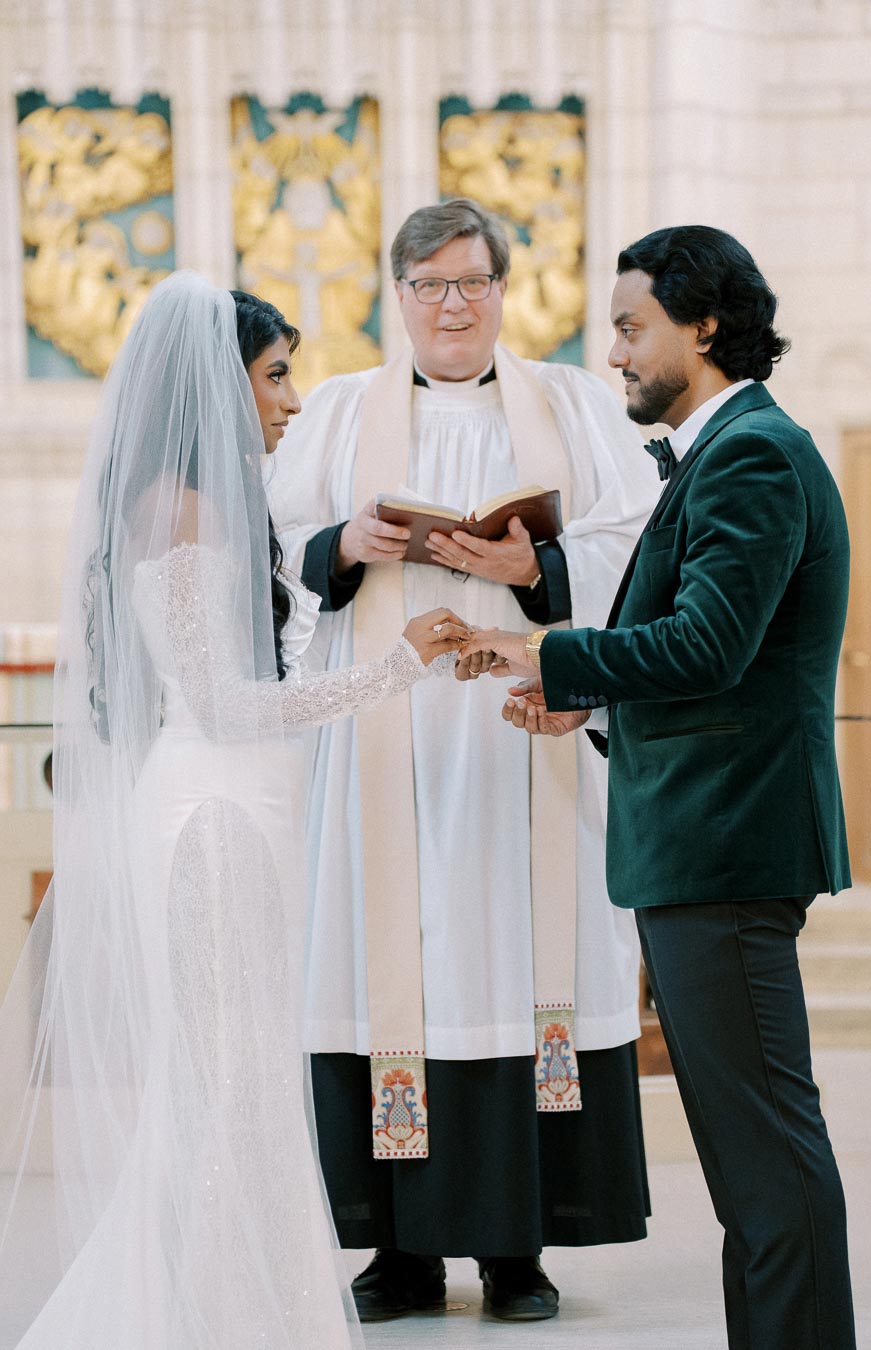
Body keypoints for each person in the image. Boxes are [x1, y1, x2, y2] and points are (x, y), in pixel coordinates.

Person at [0, 272, 469, 1349]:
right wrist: (392, 669)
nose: (292, 398)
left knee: (243, 1088)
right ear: (217, 385)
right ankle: (214, 1323)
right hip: (211, 820)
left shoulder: (211, 506)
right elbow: (220, 704)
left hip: (238, 811)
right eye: (274, 374)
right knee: (226, 1095)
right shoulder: (181, 509)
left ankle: (230, 1313)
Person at [458, 225, 857, 1350]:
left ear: (707, 326)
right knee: (747, 1163)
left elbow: (709, 644)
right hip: (700, 842)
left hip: (725, 846)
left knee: (767, 1157)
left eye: (633, 327)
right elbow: (699, 661)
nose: (617, 350)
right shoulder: (726, 452)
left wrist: (555, 656)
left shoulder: (753, 455)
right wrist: (585, 703)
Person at [266, 198, 659, 1323]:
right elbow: (280, 560)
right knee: (386, 976)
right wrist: (341, 546)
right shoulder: (342, 415)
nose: (453, 305)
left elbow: (636, 542)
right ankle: (395, 1253)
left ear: (503, 289)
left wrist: (537, 564)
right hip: (380, 758)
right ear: (399, 297)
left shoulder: (573, 408)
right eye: (431, 286)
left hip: (515, 746)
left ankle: (515, 1251)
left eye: (472, 282)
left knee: (504, 968)